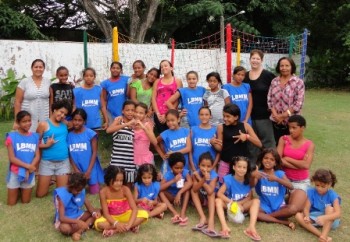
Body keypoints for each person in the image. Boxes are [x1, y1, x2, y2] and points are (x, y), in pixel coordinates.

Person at [270, 115, 314, 219]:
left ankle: (269, 216)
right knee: (269, 201)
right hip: (282, 179)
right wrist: (299, 163)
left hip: (300, 182)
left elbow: (306, 165)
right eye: (289, 127)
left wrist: (288, 159)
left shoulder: (309, 144)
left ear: (302, 128)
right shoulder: (283, 139)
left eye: (294, 128)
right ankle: (288, 198)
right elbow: (277, 160)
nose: (290, 130)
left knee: (293, 209)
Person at [210, 103, 262, 183]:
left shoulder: (245, 126)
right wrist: (213, 143)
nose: (225, 119)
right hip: (225, 163)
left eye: (228, 116)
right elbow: (220, 148)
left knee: (240, 186)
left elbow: (259, 144)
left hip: (241, 165)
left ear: (236, 117)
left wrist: (247, 136)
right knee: (223, 185)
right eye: (224, 116)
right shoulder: (220, 127)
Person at [94, 166, 148, 237]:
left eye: (121, 180)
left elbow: (134, 209)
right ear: (109, 179)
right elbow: (106, 213)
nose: (119, 183)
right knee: (99, 224)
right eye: (116, 180)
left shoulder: (125, 189)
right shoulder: (103, 192)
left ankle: (115, 230)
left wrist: (129, 225)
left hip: (126, 215)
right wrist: (116, 223)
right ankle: (131, 226)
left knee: (144, 214)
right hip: (112, 217)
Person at [215, 156, 261, 240]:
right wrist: (233, 203)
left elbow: (249, 196)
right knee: (218, 201)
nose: (241, 169)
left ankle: (251, 228)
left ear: (247, 169)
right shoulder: (229, 178)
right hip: (230, 205)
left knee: (256, 201)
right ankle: (224, 227)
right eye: (239, 166)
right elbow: (219, 194)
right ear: (234, 167)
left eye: (244, 167)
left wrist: (240, 204)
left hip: (242, 206)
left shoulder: (248, 180)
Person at [243, 50, 276, 163]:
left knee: (267, 144)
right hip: (249, 117)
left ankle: (269, 167)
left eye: (258, 59)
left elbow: (277, 91)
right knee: (252, 145)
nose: (255, 61)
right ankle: (252, 169)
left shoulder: (268, 75)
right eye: (253, 58)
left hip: (264, 116)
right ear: (250, 59)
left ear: (261, 60)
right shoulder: (245, 76)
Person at [36, 100, 72, 197]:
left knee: (62, 194)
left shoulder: (64, 124)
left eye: (65, 114)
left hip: (63, 162)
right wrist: (46, 145)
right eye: (61, 112)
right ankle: (48, 180)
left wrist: (66, 121)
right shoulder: (43, 124)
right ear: (54, 110)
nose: (62, 115)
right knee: (40, 194)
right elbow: (34, 144)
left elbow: (73, 125)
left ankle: (56, 179)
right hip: (47, 162)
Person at [251, 148, 294, 228]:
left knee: (291, 209)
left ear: (275, 163)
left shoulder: (279, 173)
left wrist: (276, 179)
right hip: (265, 205)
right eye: (266, 158)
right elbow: (252, 185)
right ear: (262, 160)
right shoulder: (259, 173)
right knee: (254, 213)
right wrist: (254, 176)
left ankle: (268, 217)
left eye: (272, 159)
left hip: (279, 205)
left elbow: (291, 186)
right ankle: (283, 222)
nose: (268, 161)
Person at [295, 169, 341, 242]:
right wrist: (306, 216)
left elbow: (338, 214)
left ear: (329, 184)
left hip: (330, 220)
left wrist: (325, 218)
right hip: (315, 218)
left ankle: (324, 235)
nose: (319, 188)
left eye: (323, 186)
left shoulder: (332, 194)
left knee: (329, 209)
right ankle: (322, 236)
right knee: (298, 216)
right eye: (317, 185)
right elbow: (306, 208)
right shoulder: (311, 192)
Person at [268, 57, 305, 144]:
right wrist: (276, 115)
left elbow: (298, 104)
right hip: (276, 121)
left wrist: (283, 116)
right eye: (282, 66)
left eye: (287, 66)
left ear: (292, 67)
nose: (284, 68)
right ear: (278, 67)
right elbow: (269, 100)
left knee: (292, 146)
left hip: (292, 122)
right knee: (278, 145)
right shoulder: (274, 81)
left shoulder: (298, 82)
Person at [53, 173, 101, 241]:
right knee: (65, 228)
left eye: (81, 190)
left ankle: (79, 231)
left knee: (99, 211)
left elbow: (90, 207)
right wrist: (77, 222)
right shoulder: (61, 195)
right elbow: (62, 218)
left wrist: (94, 213)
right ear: (70, 186)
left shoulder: (80, 191)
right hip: (66, 220)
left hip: (78, 215)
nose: (79, 192)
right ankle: (85, 226)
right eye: (78, 190)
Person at [5, 111, 40, 205]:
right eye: (24, 121)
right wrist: (28, 167)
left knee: (26, 201)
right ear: (18, 122)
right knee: (11, 203)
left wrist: (29, 170)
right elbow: (12, 158)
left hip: (29, 172)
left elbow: (37, 155)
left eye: (29, 120)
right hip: (15, 171)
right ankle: (17, 187)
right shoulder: (11, 137)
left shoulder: (35, 137)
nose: (28, 123)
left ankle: (22, 188)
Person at [67, 109, 104, 195]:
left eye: (80, 120)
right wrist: (76, 170)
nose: (77, 122)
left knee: (94, 192)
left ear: (84, 121)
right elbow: (70, 155)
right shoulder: (69, 135)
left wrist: (88, 171)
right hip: (77, 169)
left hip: (90, 168)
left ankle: (95, 181)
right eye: (75, 120)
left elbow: (94, 152)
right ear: (72, 120)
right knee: (76, 191)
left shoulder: (90, 134)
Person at [14, 59, 51, 132]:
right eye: (36, 67)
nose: (38, 69)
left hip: (44, 117)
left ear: (44, 69)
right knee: (27, 139)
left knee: (43, 140)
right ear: (32, 68)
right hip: (26, 119)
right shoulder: (24, 82)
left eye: (40, 67)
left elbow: (50, 102)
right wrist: (16, 121)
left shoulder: (48, 82)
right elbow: (17, 102)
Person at [106, 100, 137, 188]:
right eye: (127, 110)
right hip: (117, 160)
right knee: (115, 184)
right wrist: (126, 124)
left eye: (132, 110)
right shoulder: (119, 121)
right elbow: (108, 130)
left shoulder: (137, 123)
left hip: (130, 161)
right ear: (122, 111)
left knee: (127, 186)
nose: (130, 112)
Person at [160, 152, 193, 226]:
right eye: (176, 168)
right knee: (161, 192)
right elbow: (159, 188)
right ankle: (174, 213)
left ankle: (182, 213)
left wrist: (179, 193)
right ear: (171, 167)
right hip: (171, 197)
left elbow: (190, 182)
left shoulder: (185, 172)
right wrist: (173, 180)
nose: (179, 170)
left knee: (187, 189)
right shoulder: (168, 174)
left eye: (181, 168)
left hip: (181, 197)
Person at [191, 152, 219, 238]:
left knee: (212, 193)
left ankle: (211, 222)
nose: (205, 169)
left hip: (212, 200)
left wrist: (201, 179)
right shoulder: (195, 174)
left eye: (208, 166)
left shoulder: (214, 175)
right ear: (198, 165)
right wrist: (202, 179)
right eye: (203, 165)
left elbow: (210, 191)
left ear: (212, 167)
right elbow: (195, 189)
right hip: (202, 198)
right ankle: (203, 217)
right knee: (193, 191)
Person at [151, 60, 183, 133]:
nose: (163, 68)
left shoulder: (177, 81)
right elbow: (153, 98)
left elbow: (178, 99)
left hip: (171, 114)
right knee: (162, 137)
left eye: (165, 65)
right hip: (159, 114)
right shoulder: (157, 81)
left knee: (173, 135)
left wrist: (166, 115)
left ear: (171, 68)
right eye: (161, 67)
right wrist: (158, 114)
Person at [157, 109, 191, 173]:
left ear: (178, 119)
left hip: (184, 165)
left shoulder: (186, 131)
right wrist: (162, 154)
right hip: (170, 166)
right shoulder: (165, 133)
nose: (170, 123)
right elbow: (156, 142)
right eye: (168, 121)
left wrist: (174, 152)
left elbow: (188, 148)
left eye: (172, 120)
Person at [189, 107, 218, 172]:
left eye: (206, 114)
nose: (204, 117)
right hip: (196, 165)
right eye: (201, 114)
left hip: (210, 167)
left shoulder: (215, 130)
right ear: (198, 116)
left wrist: (213, 167)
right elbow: (190, 150)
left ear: (210, 116)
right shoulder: (193, 130)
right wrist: (193, 167)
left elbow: (219, 151)